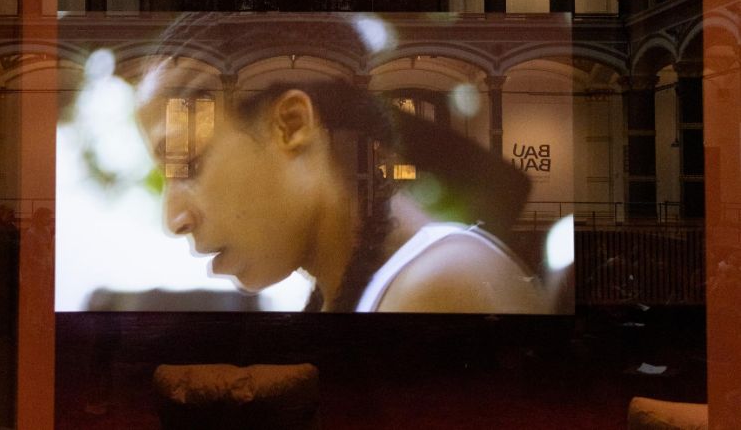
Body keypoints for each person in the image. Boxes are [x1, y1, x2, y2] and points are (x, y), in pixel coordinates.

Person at [137, 77, 548, 313]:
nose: (173, 219)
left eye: (188, 164)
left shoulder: (438, 287)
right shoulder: (360, 295)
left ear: (292, 124)